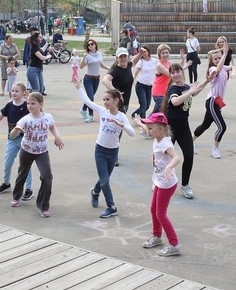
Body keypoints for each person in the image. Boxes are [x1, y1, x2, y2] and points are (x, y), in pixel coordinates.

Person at [74, 77, 135, 219]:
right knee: (105, 180)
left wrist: (121, 125)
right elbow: (88, 101)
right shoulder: (102, 111)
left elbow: (132, 133)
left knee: (104, 179)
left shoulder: (121, 116)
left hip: (113, 152)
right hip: (100, 150)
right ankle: (111, 206)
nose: (105, 102)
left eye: (108, 99)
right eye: (104, 100)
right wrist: (78, 87)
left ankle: (95, 192)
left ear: (116, 101)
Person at [134, 112, 184, 257]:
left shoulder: (165, 144)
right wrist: (139, 123)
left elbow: (176, 158)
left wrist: (169, 167)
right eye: (147, 128)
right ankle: (157, 236)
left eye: (150, 129)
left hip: (166, 183)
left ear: (161, 129)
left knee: (161, 214)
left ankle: (174, 244)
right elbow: (146, 127)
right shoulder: (157, 136)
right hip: (159, 180)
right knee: (153, 209)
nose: (147, 131)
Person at [8, 91, 64, 216]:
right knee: (22, 173)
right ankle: (17, 196)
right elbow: (12, 135)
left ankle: (43, 205)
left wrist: (57, 136)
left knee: (47, 177)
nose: (30, 106)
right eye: (28, 103)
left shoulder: (47, 117)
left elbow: (52, 127)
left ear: (41, 104)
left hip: (42, 152)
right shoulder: (26, 119)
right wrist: (16, 130)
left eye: (33, 103)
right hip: (27, 151)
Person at [162, 62, 211, 199]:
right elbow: (175, 102)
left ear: (182, 72)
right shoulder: (173, 89)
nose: (176, 74)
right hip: (170, 128)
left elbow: (194, 92)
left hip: (184, 126)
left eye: (178, 71)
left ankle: (185, 185)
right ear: (171, 75)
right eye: (173, 72)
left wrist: (208, 80)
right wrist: (190, 91)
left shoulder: (185, 87)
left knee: (189, 155)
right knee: (164, 157)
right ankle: (159, 181)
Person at [0, 82, 33, 199]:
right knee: (7, 163)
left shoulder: (27, 106)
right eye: (12, 91)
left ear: (24, 93)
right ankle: (6, 183)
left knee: (26, 165)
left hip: (25, 140)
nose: (14, 93)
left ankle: (28, 189)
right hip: (12, 139)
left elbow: (36, 112)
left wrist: (29, 99)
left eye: (17, 91)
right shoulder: (9, 105)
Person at [193, 44, 232, 159]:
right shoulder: (213, 69)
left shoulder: (223, 67)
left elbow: (229, 67)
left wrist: (233, 70)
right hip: (212, 102)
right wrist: (224, 54)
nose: (217, 60)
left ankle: (190, 141)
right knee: (222, 127)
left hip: (217, 103)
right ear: (211, 61)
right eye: (215, 59)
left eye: (219, 58)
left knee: (205, 125)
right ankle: (215, 149)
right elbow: (219, 69)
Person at [102, 47, 133, 115]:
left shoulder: (128, 65)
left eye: (125, 56)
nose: (123, 59)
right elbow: (105, 80)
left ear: (128, 57)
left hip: (126, 101)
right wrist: (116, 92)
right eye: (120, 57)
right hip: (118, 103)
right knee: (119, 123)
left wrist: (140, 54)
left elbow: (134, 62)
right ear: (117, 59)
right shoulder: (116, 70)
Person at [78, 38, 103, 122]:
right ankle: (91, 115)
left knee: (90, 97)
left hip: (96, 78)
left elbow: (100, 64)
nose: (90, 46)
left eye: (92, 44)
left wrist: (109, 68)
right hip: (88, 78)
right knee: (91, 97)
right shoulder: (87, 56)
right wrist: (83, 57)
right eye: (88, 45)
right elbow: (81, 67)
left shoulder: (99, 54)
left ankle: (83, 109)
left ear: (95, 45)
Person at [151, 44, 173, 115]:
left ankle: (144, 123)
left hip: (165, 92)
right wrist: (184, 67)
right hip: (158, 93)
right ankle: (145, 124)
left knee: (156, 113)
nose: (165, 54)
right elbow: (170, 74)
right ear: (159, 54)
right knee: (165, 112)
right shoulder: (159, 65)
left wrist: (183, 60)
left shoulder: (169, 63)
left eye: (167, 52)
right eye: (163, 53)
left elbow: (176, 71)